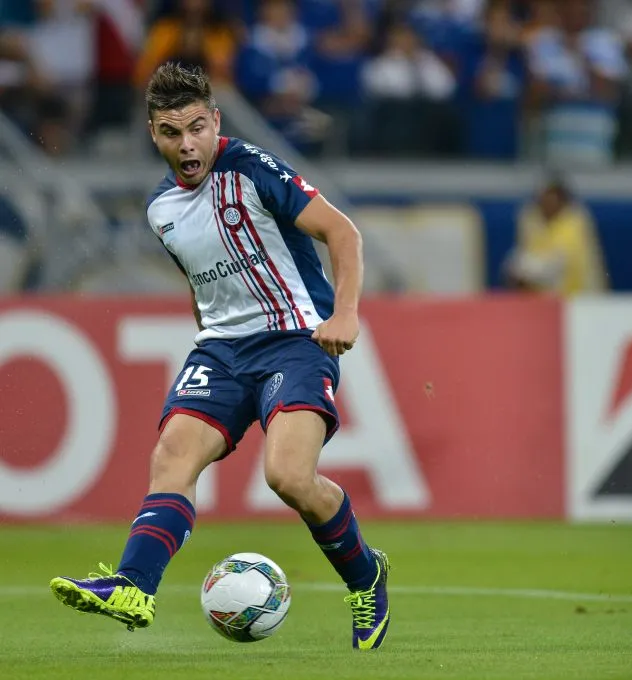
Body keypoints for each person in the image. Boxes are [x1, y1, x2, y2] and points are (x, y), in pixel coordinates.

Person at [49, 62, 391, 652]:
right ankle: (133, 586)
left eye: (196, 128)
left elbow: (343, 234)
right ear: (153, 134)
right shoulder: (160, 210)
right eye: (170, 132)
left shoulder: (254, 170)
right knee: (173, 454)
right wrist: (211, 332)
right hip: (224, 351)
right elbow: (204, 281)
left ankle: (366, 575)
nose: (186, 144)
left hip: (296, 340)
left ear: (215, 123)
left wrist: (347, 313)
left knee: (287, 477)